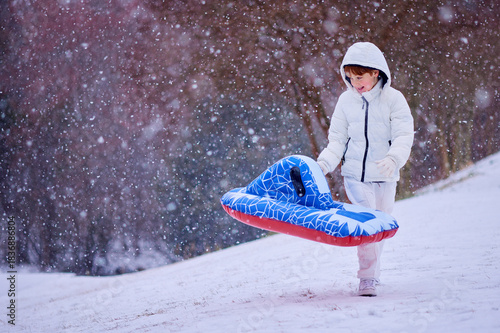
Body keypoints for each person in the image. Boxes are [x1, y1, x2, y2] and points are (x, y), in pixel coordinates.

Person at [317, 42, 414, 296]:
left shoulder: (394, 100)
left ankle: (374, 273)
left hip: (385, 175)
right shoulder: (346, 102)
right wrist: (323, 164)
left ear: (375, 72)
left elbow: (404, 135)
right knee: (367, 223)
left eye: (359, 77)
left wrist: (394, 159)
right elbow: (337, 139)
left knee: (379, 228)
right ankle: (367, 278)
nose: (354, 82)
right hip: (355, 177)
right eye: (349, 77)